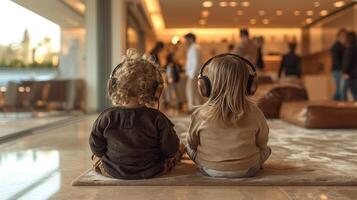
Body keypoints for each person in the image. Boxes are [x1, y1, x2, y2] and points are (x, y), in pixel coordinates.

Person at [89, 49, 184, 179]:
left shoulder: (106, 117)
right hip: (153, 170)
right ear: (156, 90)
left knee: (96, 158)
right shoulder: (158, 119)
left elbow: (96, 147)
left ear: (112, 87)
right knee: (178, 150)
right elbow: (170, 150)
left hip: (113, 170)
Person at [186, 54, 271, 178]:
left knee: (187, 147)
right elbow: (262, 142)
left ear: (206, 85)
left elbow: (192, 143)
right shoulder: (255, 112)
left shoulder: (200, 114)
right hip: (247, 169)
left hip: (209, 168)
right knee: (266, 150)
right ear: (249, 85)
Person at [184, 33, 202, 112]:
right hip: (193, 74)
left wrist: (192, 74)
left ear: (191, 39)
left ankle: (192, 109)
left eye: (186, 39)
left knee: (191, 91)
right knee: (194, 92)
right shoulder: (193, 48)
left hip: (193, 74)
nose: (185, 42)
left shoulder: (194, 48)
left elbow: (195, 62)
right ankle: (196, 109)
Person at [331, 28, 347, 101]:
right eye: (343, 35)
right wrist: (342, 71)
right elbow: (336, 60)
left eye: (345, 35)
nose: (344, 37)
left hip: (342, 70)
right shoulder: (335, 46)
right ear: (339, 36)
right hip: (337, 71)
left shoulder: (345, 47)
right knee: (340, 89)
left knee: (340, 89)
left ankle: (332, 103)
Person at [342, 31, 357, 100]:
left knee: (343, 91)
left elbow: (347, 62)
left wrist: (345, 72)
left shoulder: (350, 49)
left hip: (350, 75)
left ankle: (343, 108)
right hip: (354, 74)